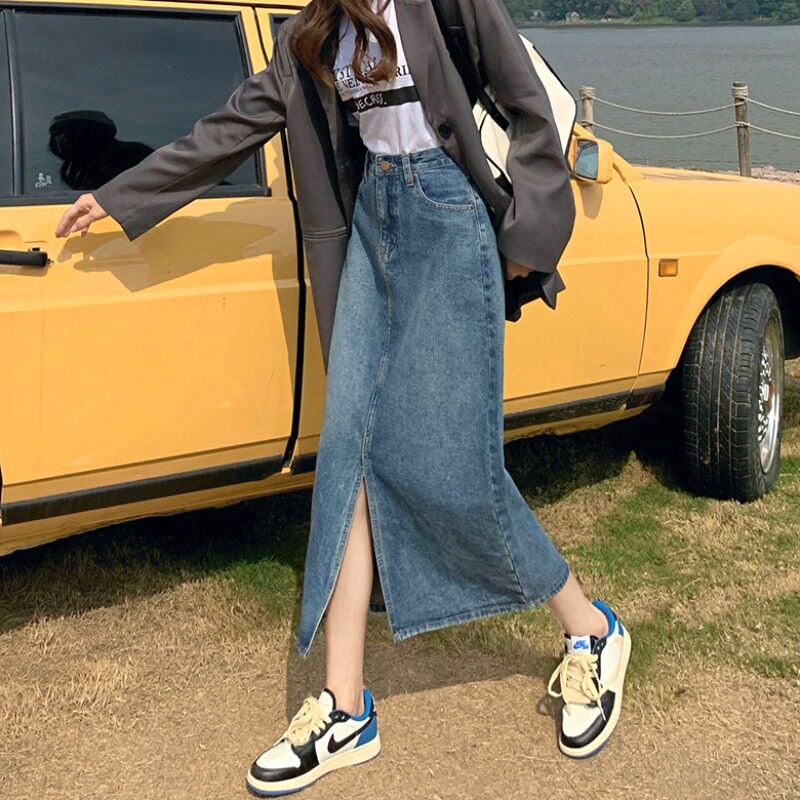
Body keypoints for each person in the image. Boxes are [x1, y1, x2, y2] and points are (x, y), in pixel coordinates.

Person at [54, 0, 632, 795]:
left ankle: (592, 630)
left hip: (450, 219)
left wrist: (523, 242)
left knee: (451, 462)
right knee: (349, 457)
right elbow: (232, 125)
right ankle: (345, 706)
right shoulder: (314, 30)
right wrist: (122, 196)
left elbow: (530, 108)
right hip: (372, 227)